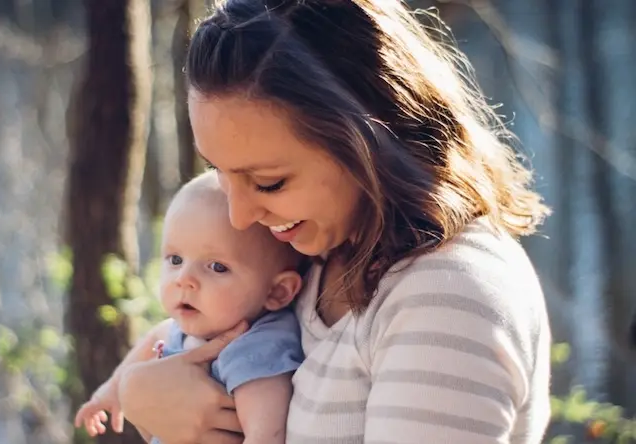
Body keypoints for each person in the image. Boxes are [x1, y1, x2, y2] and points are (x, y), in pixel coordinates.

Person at [116, 0, 553, 443]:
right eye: (220, 173)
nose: (239, 216)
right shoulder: (321, 253)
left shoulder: (447, 294)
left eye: (269, 182)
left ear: (368, 141)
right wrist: (138, 390)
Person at [74, 172, 305, 444]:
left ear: (277, 291)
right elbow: (154, 339)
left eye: (217, 266)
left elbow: (266, 434)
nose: (184, 279)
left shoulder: (257, 348)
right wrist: (109, 392)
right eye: (175, 259)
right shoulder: (185, 329)